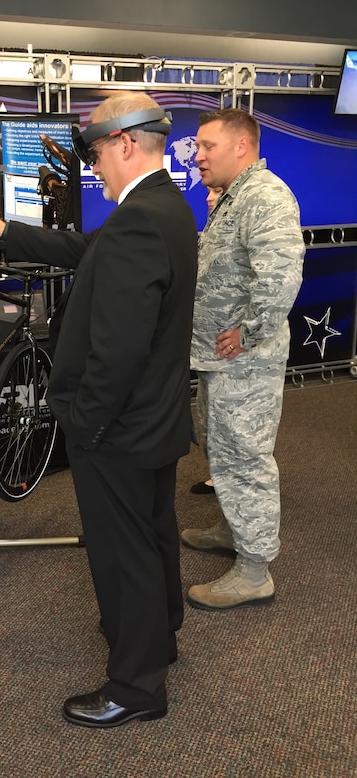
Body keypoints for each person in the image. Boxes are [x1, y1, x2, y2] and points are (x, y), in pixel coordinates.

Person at [0, 92, 198, 728]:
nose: (93, 167)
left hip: (116, 425)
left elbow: (117, 347)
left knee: (123, 551)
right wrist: (3, 229)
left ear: (125, 144)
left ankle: (138, 687)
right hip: (155, 417)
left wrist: (83, 423)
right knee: (153, 531)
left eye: (94, 153)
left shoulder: (139, 220)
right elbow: (89, 249)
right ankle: (158, 631)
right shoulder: (163, 208)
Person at [182, 108, 305, 610]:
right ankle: (235, 530)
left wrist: (249, 330)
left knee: (245, 457)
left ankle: (255, 571)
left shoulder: (266, 195)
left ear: (241, 146)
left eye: (208, 146)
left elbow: (280, 276)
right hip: (219, 357)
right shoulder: (235, 197)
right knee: (217, 444)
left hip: (245, 359)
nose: (198, 156)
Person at [190, 185, 223, 496]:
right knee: (209, 419)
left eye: (215, 191)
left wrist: (248, 330)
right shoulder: (211, 231)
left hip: (232, 355)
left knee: (236, 434)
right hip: (207, 350)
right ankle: (217, 477)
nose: (208, 197)